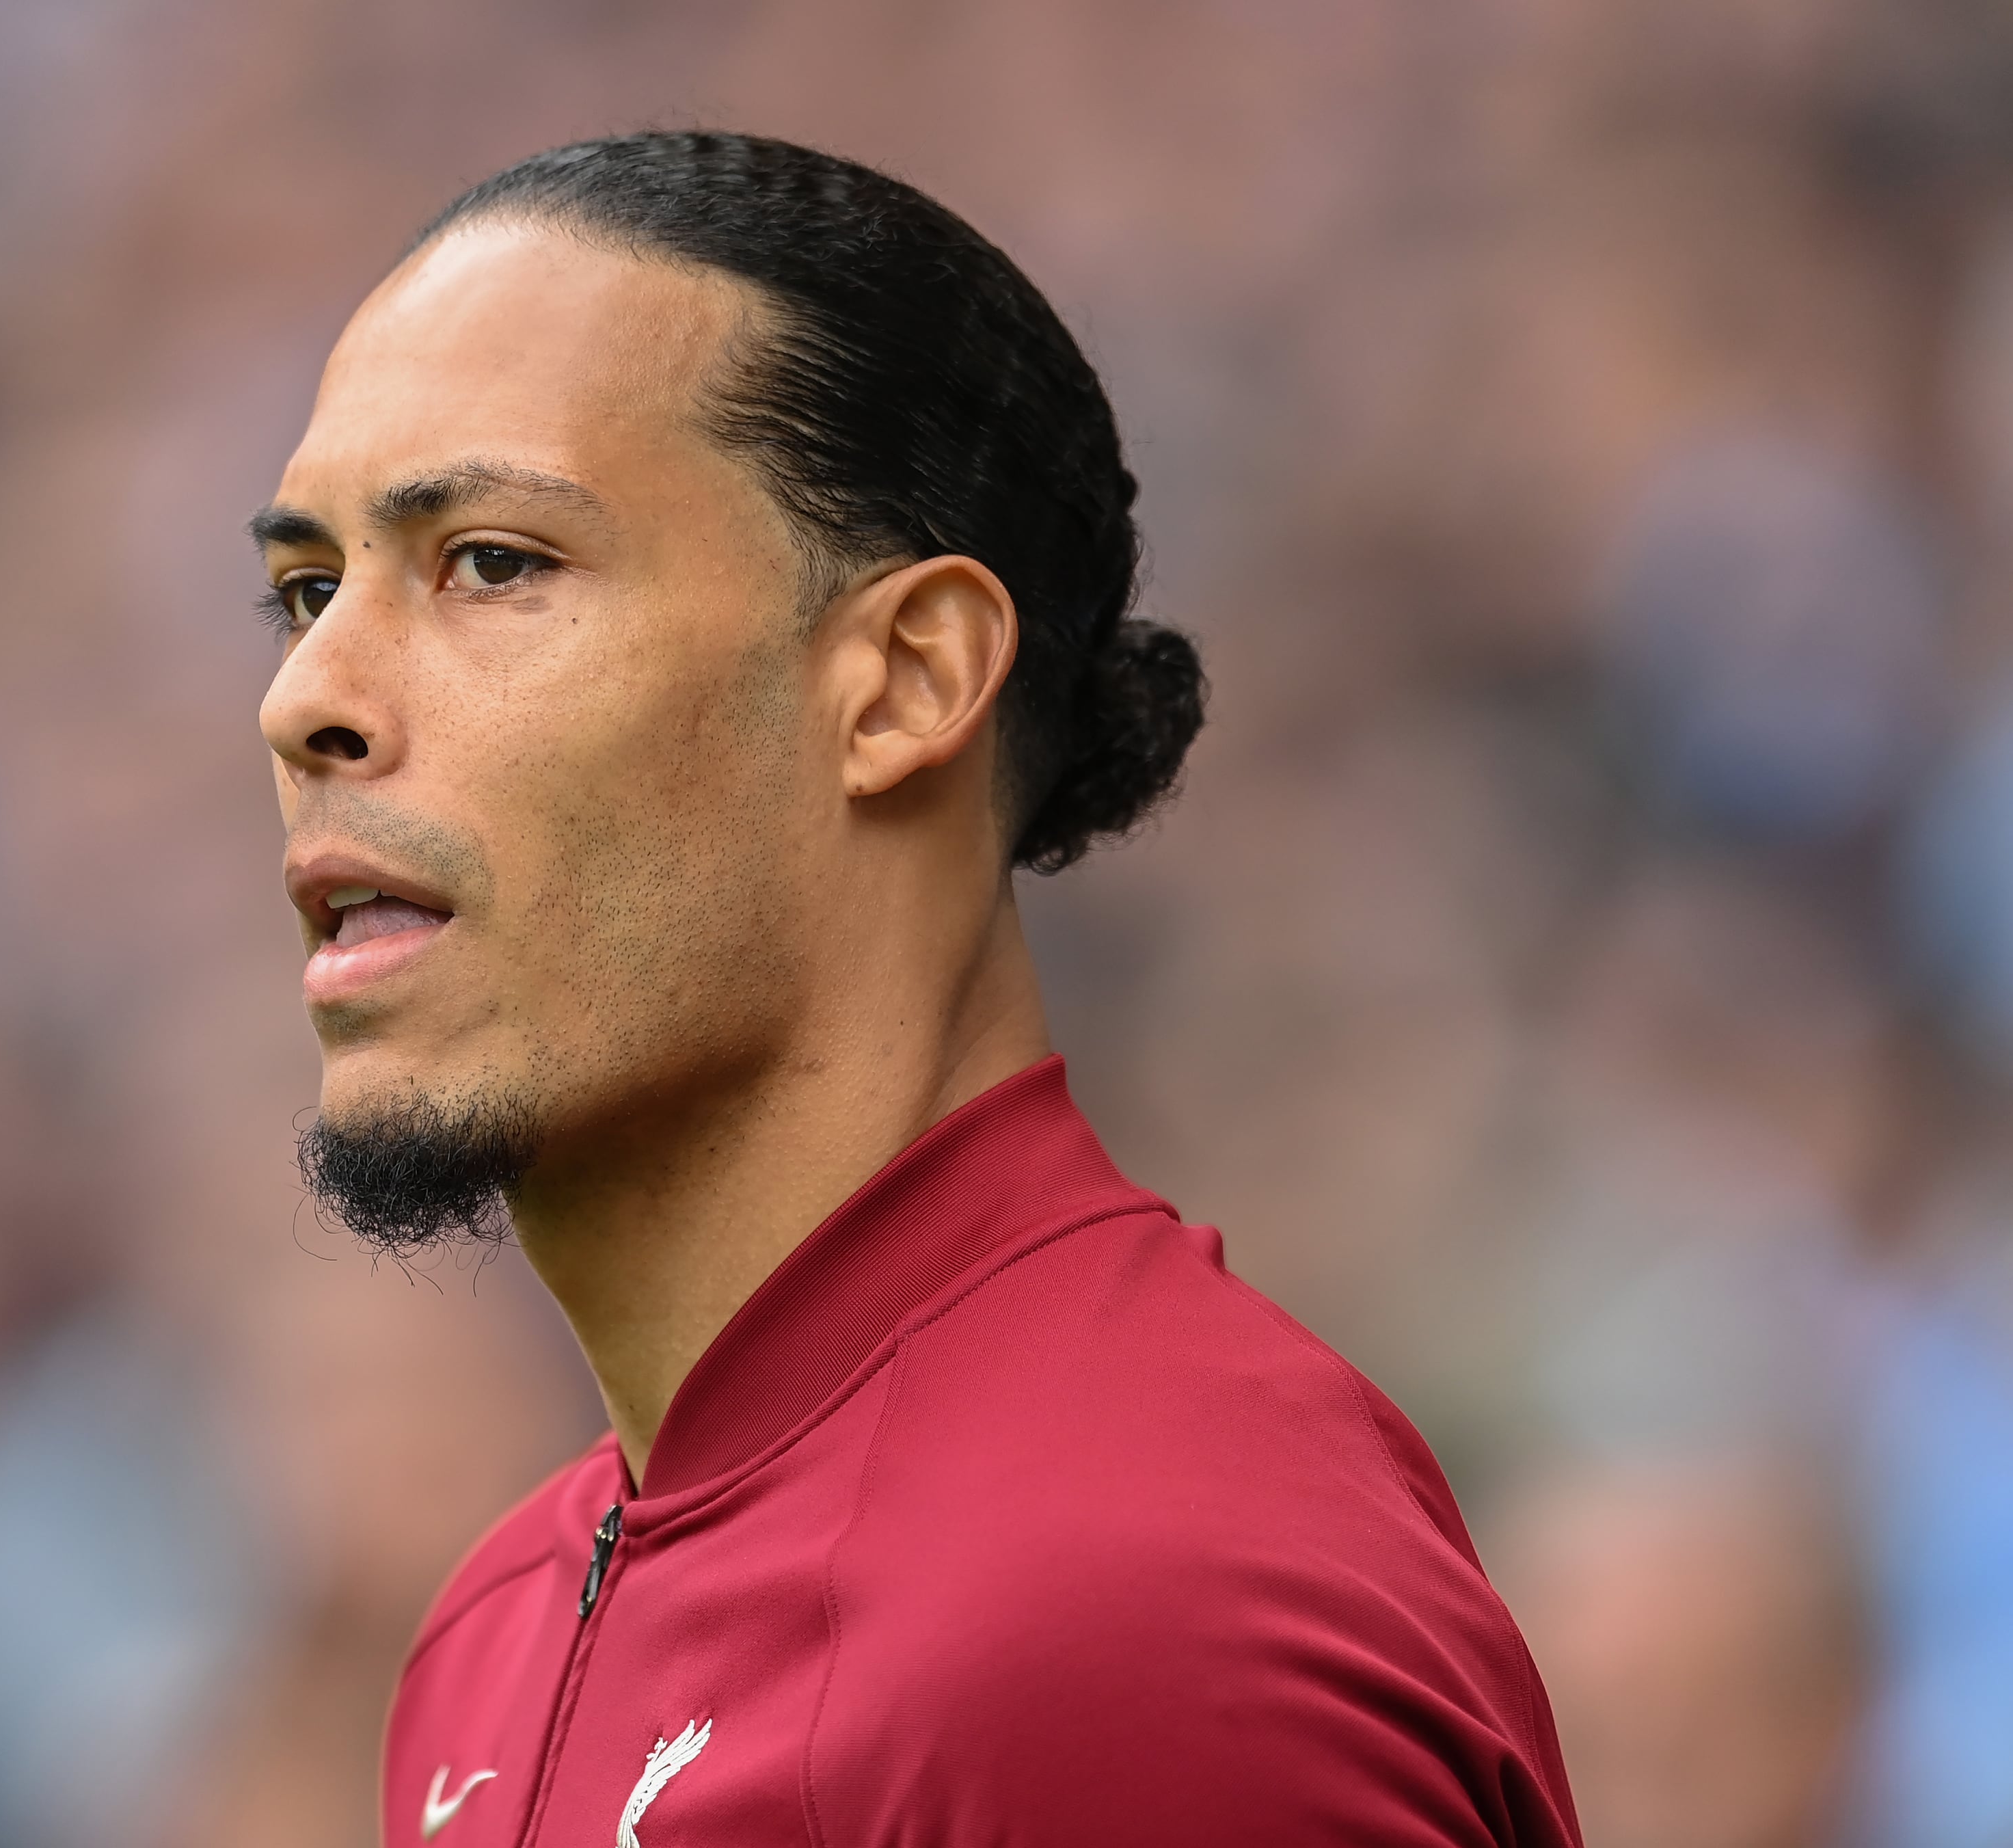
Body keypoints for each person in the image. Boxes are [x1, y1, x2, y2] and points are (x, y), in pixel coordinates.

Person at [250, 131, 1579, 1847]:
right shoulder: (493, 1630)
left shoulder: (1133, 1624)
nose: (304, 696)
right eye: (301, 587)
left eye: (492, 561)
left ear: (901, 680)